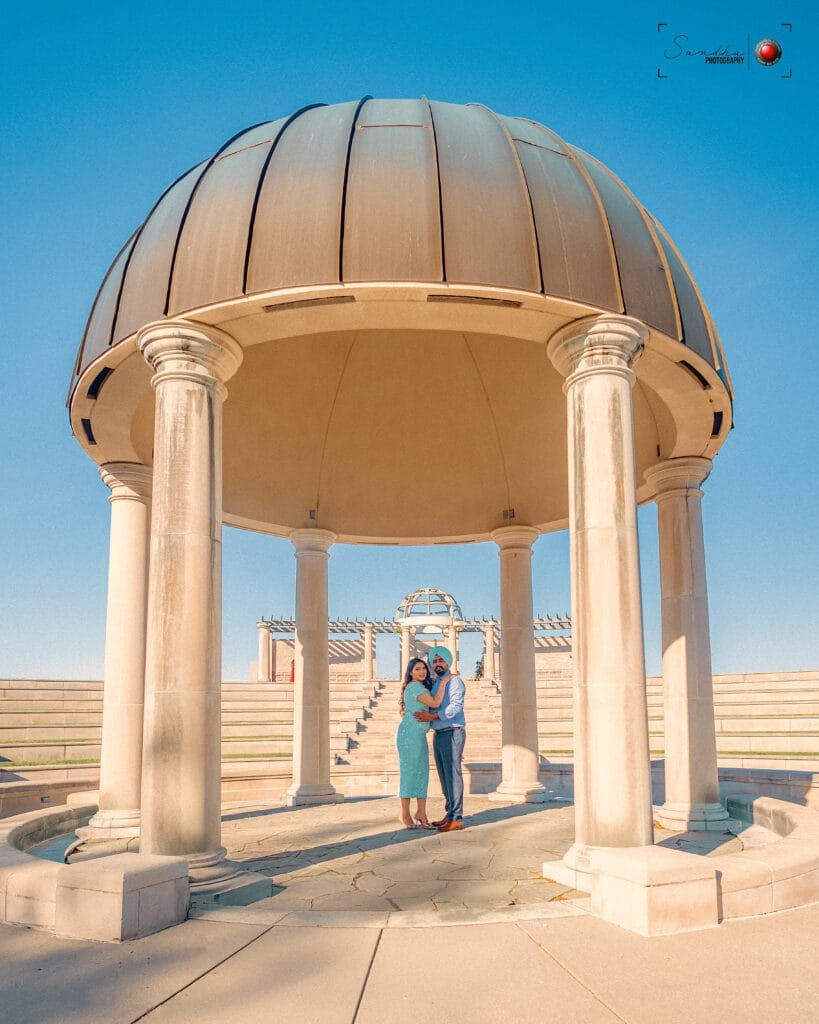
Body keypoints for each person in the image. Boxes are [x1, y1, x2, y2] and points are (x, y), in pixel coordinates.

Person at [414, 646, 466, 831]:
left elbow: (455, 708)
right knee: (444, 776)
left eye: (440, 660)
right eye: (434, 661)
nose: (437, 664)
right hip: (439, 733)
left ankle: (457, 817)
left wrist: (432, 717)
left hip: (452, 731)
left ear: (448, 661)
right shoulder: (437, 682)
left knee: (453, 774)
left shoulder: (455, 681)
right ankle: (449, 813)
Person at [396, 657, 450, 829]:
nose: (422, 671)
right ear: (410, 672)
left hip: (418, 736)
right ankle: (404, 813)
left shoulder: (420, 687)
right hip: (409, 736)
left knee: (422, 773)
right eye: (417, 669)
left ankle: (421, 812)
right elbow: (435, 702)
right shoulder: (413, 687)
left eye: (424, 668)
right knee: (410, 773)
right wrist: (445, 681)